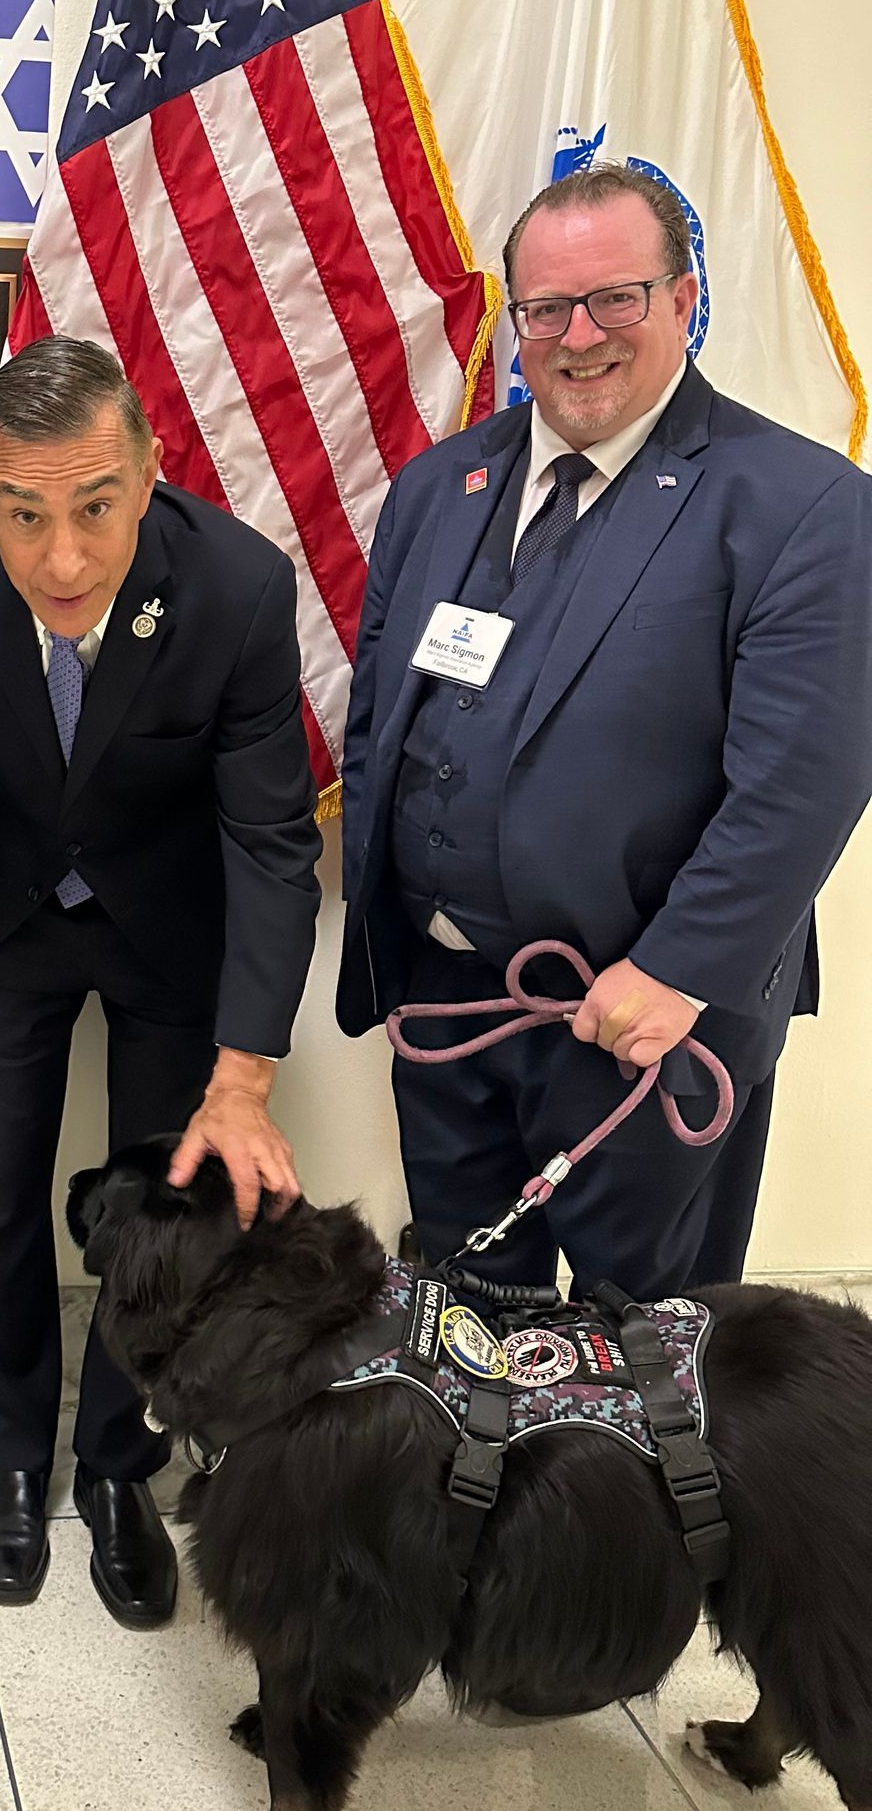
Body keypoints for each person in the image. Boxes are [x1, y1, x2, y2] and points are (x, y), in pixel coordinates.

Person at [339, 161, 872, 1297]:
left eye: (615, 298)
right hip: (447, 1011)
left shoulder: (799, 505)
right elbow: (380, 720)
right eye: (544, 309)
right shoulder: (440, 488)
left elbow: (806, 777)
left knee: (652, 1348)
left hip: (645, 1024)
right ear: (514, 321)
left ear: (684, 299)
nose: (577, 336)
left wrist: (679, 971)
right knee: (474, 1327)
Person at [0, 337, 320, 1625]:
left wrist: (244, 1073)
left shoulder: (235, 586)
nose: (61, 559)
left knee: (167, 1211)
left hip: (167, 930)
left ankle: (121, 1466)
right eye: (21, 515)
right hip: (7, 928)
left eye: (96, 508)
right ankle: (12, 1454)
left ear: (147, 473)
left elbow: (272, 839)